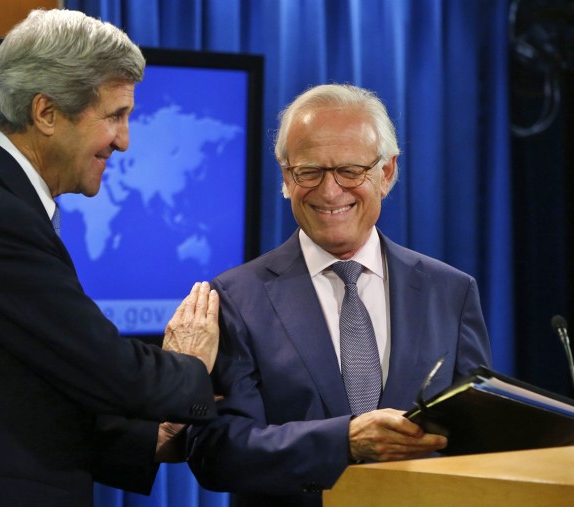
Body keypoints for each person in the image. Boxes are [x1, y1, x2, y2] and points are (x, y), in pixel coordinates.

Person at [0, 9, 219, 507]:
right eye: (114, 116)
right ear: (47, 113)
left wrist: (145, 441)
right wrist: (191, 366)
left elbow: (23, 386)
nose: (124, 140)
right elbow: (101, 365)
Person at [186, 84, 492, 506]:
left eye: (350, 171)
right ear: (286, 176)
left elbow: (479, 438)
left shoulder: (451, 292)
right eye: (309, 172)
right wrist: (344, 442)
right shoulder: (237, 297)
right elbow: (217, 452)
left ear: (386, 173)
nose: (330, 192)